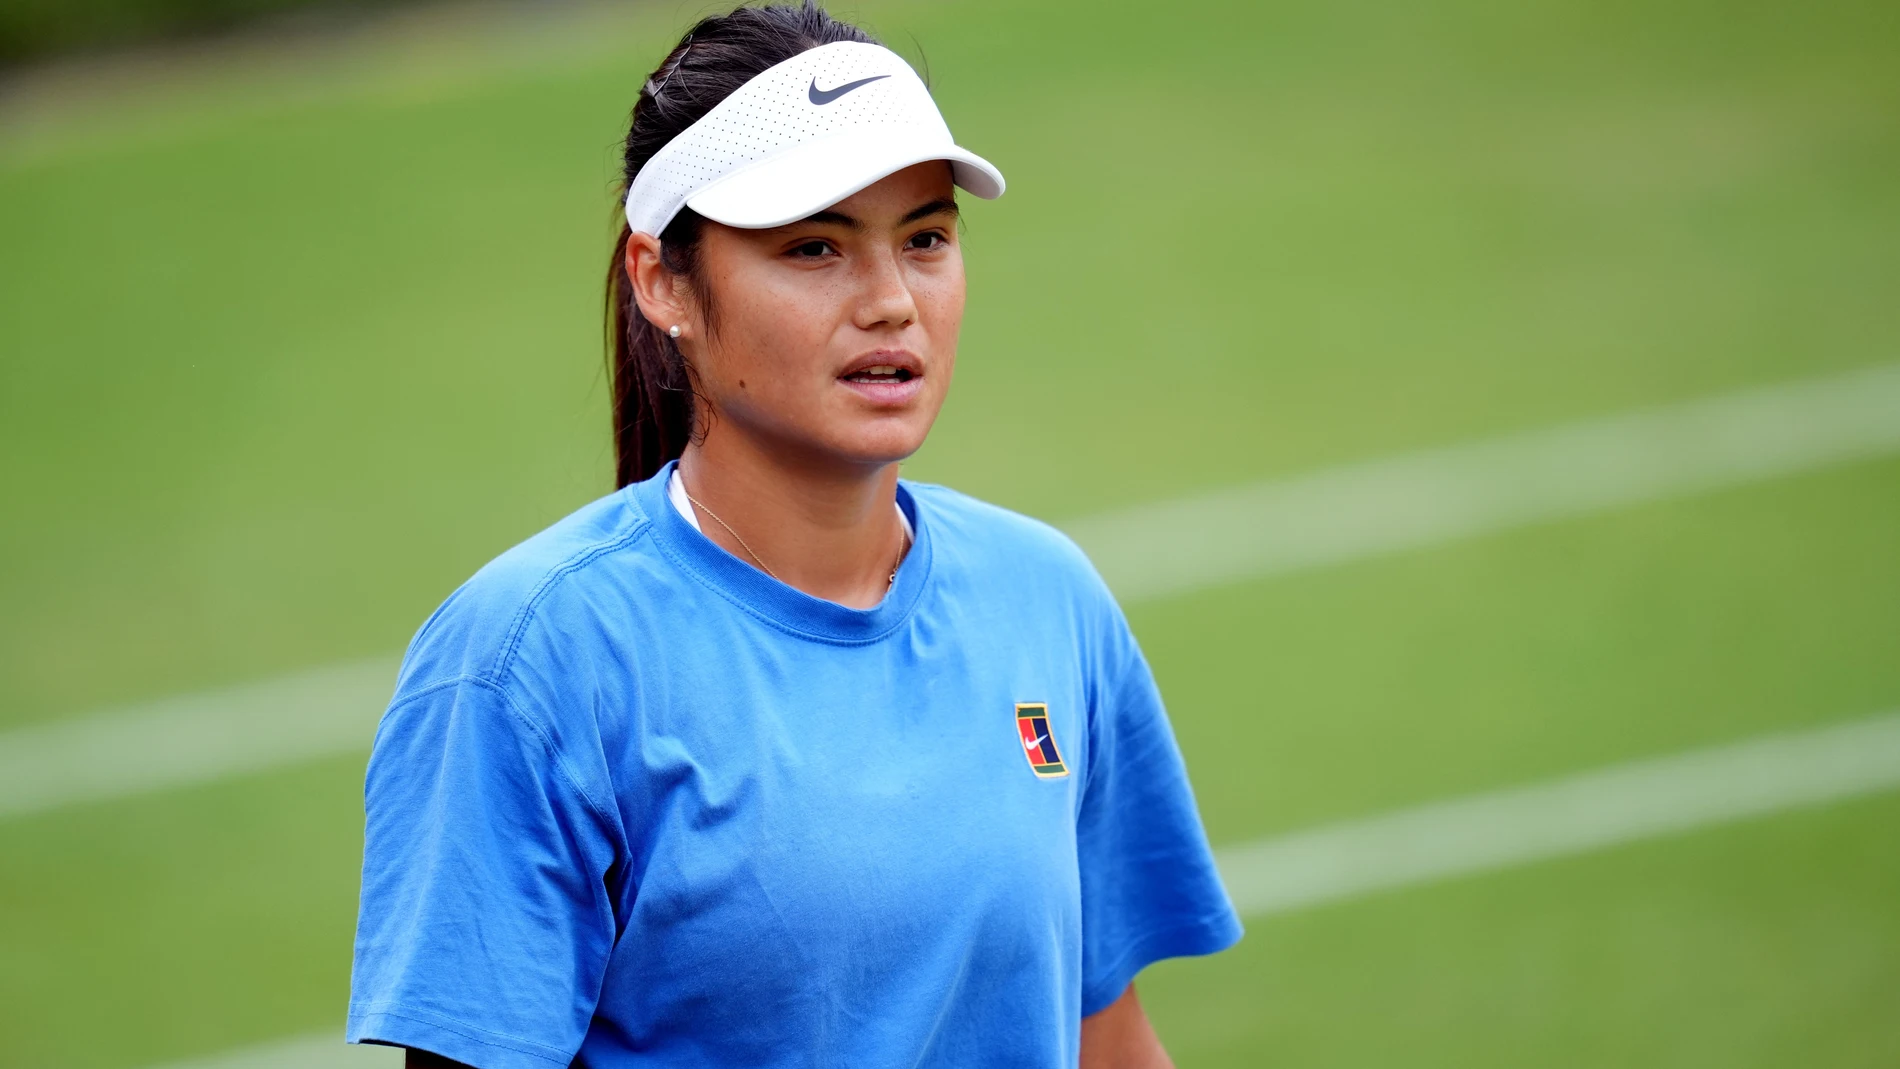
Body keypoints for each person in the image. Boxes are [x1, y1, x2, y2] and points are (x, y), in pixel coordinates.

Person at [346, 3, 1241, 1066]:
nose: (891, 302)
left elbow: (1109, 1037)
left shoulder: (1044, 594)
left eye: (925, 239)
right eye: (813, 246)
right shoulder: (530, 661)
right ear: (660, 280)